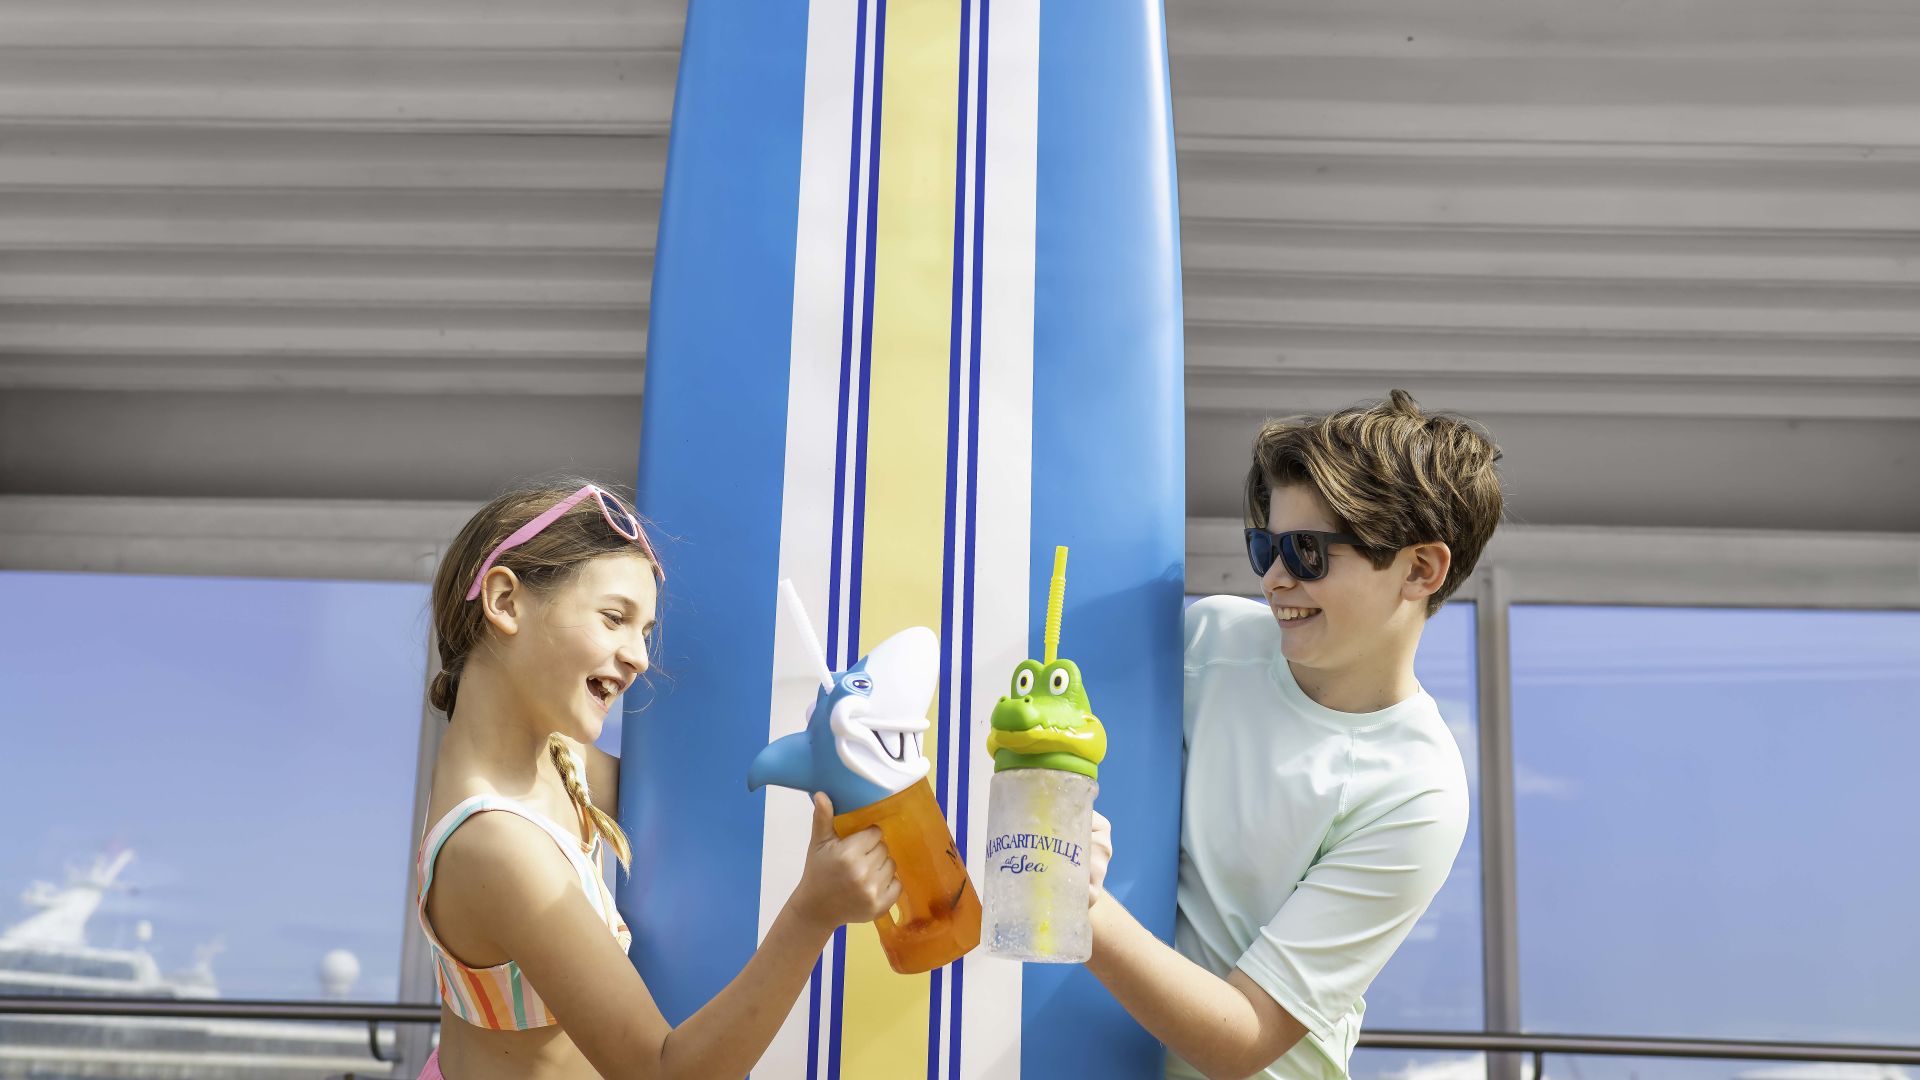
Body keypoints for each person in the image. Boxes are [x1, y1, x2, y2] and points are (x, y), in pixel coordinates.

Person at [414, 480, 900, 1079]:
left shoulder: (548, 764)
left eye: (644, 632)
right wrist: (813, 913)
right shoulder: (496, 845)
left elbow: (699, 802)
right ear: (505, 601)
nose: (640, 657)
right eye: (614, 618)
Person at [1086, 390, 1504, 1080]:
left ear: (1420, 569)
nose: (1275, 579)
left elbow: (1244, 1038)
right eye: (1266, 546)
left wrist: (1073, 905)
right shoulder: (1210, 638)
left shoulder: (1418, 791)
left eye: (1308, 552)